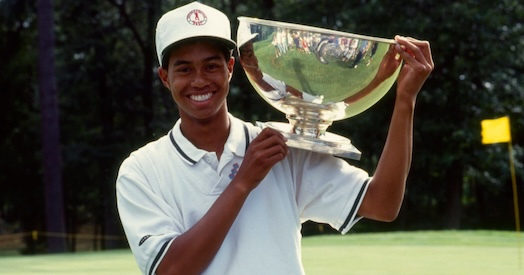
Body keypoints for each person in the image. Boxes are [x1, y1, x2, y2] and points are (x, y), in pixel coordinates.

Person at [116, 2, 434, 275]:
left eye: (211, 66)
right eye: (184, 69)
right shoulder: (141, 170)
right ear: (164, 77)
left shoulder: (281, 149)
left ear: (229, 68)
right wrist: (243, 181)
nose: (200, 81)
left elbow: (383, 203)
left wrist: (405, 100)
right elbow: (171, 270)